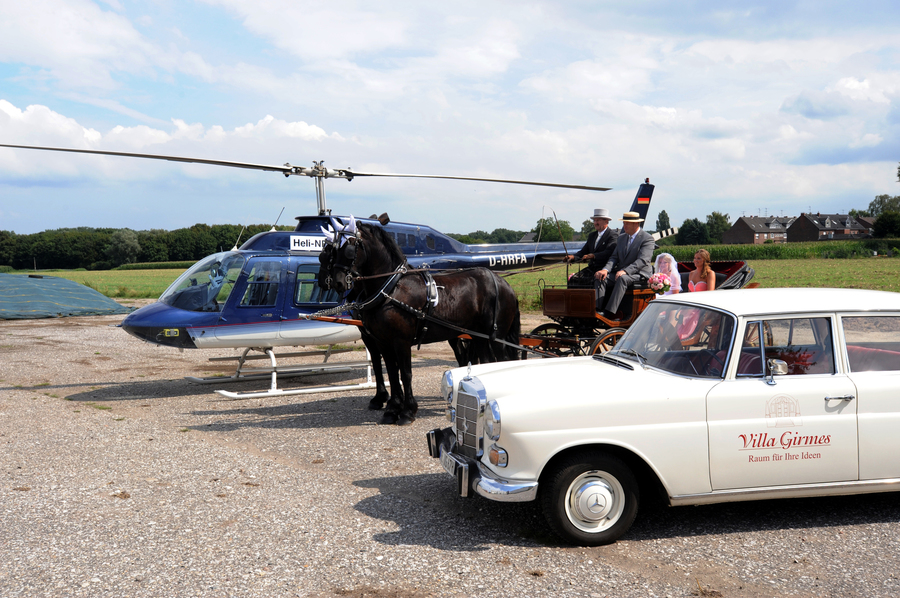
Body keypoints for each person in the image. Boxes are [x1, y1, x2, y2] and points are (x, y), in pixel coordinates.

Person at [594, 211, 655, 318]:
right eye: (623, 223)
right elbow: (614, 257)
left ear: (636, 224)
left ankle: (609, 313)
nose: (624, 226)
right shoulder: (621, 238)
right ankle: (597, 309)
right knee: (600, 277)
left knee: (622, 279)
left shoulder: (647, 239)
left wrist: (625, 271)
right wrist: (605, 270)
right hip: (622, 272)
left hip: (640, 273)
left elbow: (643, 260)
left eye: (627, 223)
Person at [564, 208, 619, 288]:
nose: (595, 223)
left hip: (604, 269)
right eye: (594, 220)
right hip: (592, 269)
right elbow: (583, 251)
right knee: (573, 279)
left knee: (591, 281)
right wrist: (573, 257)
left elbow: (608, 252)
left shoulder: (613, 236)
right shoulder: (592, 236)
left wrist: (594, 256)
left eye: (598, 220)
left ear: (606, 221)